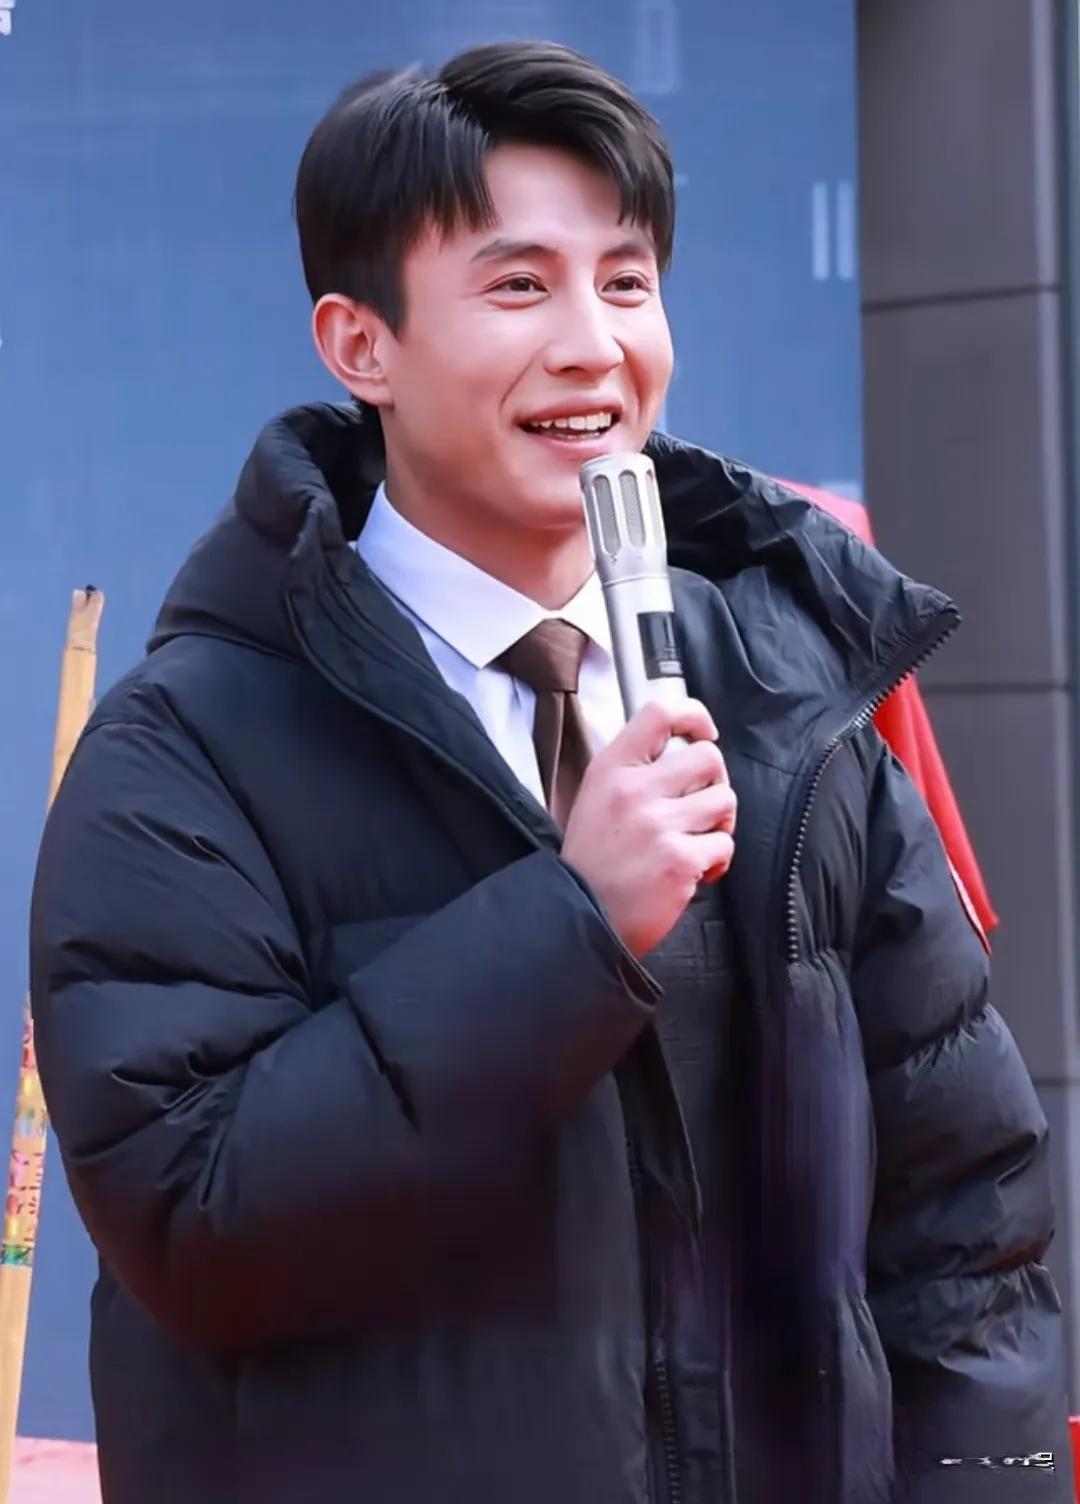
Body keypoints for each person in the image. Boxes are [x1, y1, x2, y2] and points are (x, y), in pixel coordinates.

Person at [29, 40, 1071, 1504]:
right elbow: (193, 1224)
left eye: (627, 282)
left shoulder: (793, 699)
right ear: (360, 345)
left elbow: (968, 1229)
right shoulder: (187, 750)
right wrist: (573, 932)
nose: (594, 345)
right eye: (519, 286)